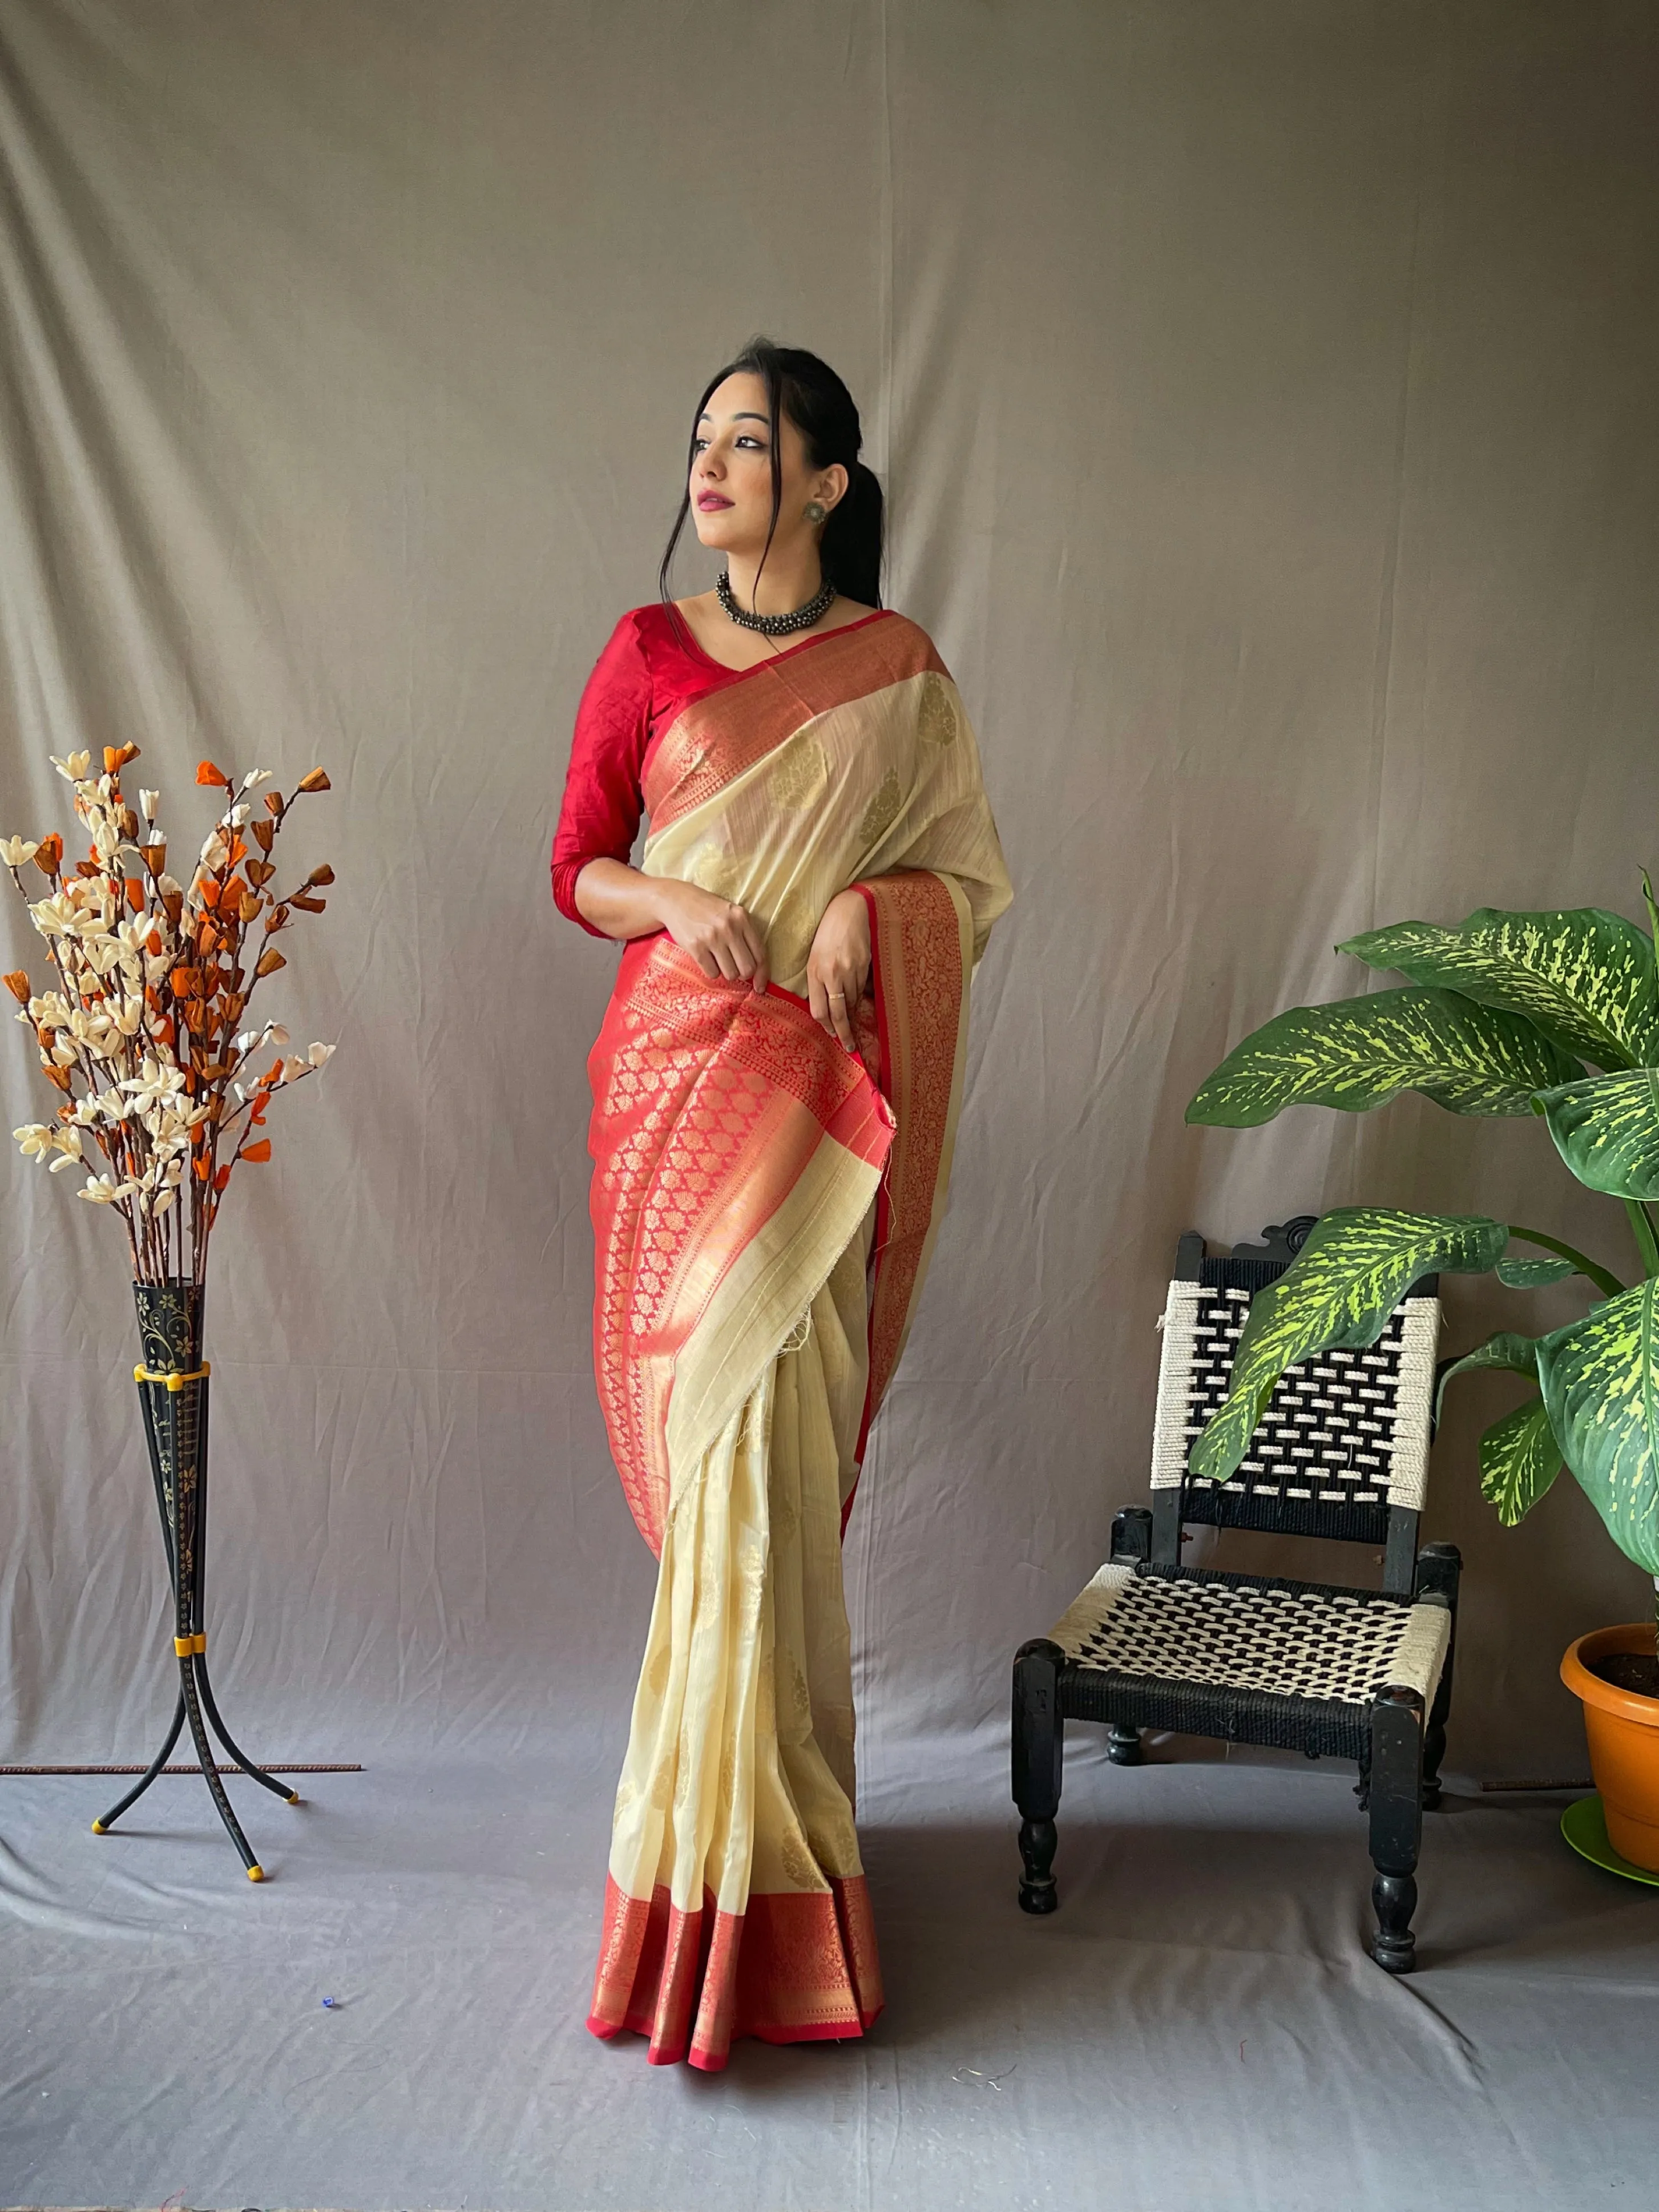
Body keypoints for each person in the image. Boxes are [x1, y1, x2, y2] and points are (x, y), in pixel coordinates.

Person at [551, 337, 1013, 2070]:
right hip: (675, 1093)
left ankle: (773, 1879)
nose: (713, 462)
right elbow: (574, 864)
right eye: (702, 439)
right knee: (714, 1478)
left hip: (822, 1109)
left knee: (778, 1469)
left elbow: (970, 881)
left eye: (751, 440)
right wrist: (672, 897)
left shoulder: (897, 673)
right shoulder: (645, 653)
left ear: (828, 481)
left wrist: (870, 904)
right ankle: (703, 1878)